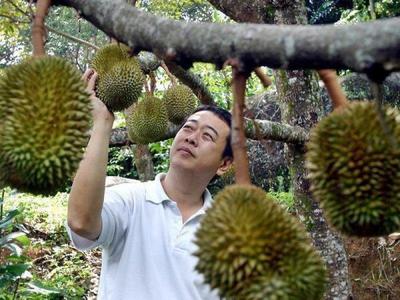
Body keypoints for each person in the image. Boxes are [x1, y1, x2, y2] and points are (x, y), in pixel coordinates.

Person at [67, 69, 233, 299]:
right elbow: (81, 221)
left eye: (207, 136)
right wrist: (102, 122)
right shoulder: (130, 200)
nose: (191, 137)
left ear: (224, 164)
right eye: (188, 127)